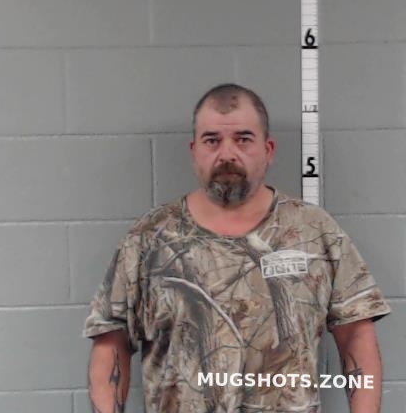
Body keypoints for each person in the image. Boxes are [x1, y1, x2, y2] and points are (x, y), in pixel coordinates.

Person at [83, 83, 391, 413]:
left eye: (243, 139)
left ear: (268, 150)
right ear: (194, 151)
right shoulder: (149, 239)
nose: (227, 154)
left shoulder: (314, 231)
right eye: (212, 140)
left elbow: (356, 337)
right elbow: (110, 343)